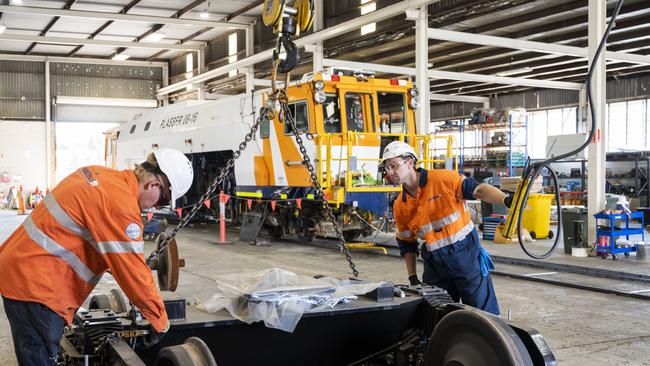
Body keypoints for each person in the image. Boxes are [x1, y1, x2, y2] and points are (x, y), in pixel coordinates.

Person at [0, 148, 193, 365]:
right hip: (35, 288)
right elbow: (132, 271)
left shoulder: (101, 175)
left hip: (23, 270)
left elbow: (97, 243)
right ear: (153, 185)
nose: (158, 207)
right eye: (162, 202)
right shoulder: (120, 205)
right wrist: (160, 321)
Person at [380, 141, 512, 315]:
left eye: (394, 166)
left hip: (466, 256)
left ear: (410, 163)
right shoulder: (400, 205)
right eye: (387, 168)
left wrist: (506, 200)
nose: (390, 173)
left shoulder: (443, 179)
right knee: (436, 315)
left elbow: (478, 190)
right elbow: (407, 244)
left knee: (483, 315)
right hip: (435, 266)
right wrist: (412, 277)